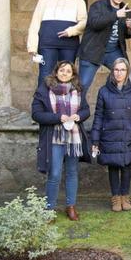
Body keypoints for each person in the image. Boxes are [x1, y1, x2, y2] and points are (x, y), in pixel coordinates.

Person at [32, 61, 91, 221]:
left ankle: (70, 206)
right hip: (54, 137)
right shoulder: (44, 89)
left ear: (73, 75)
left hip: (74, 137)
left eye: (68, 71)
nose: (65, 73)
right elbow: (36, 114)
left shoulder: (78, 90)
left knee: (72, 172)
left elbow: (86, 110)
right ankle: (49, 209)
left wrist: (79, 116)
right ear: (56, 72)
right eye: (62, 70)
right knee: (55, 173)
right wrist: (58, 117)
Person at [90, 58, 131, 213]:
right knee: (113, 166)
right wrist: (95, 138)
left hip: (128, 134)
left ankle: (125, 196)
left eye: (122, 70)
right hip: (109, 134)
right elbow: (98, 116)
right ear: (112, 71)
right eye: (116, 70)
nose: (119, 73)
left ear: (127, 72)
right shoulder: (104, 91)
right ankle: (115, 197)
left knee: (127, 166)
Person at [27, 0, 87, 87]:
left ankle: (64, 104)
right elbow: (35, 23)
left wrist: (71, 31)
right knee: (45, 75)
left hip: (69, 45)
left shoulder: (78, 0)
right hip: (47, 44)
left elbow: (84, 22)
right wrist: (32, 46)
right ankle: (42, 104)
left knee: (67, 75)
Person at [77, 0, 131, 95]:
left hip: (113, 52)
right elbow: (94, 23)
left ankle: (122, 111)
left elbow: (128, 34)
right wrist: (115, 15)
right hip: (93, 51)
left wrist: (130, 28)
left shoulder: (125, 9)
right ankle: (76, 112)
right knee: (82, 86)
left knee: (129, 79)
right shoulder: (98, 6)